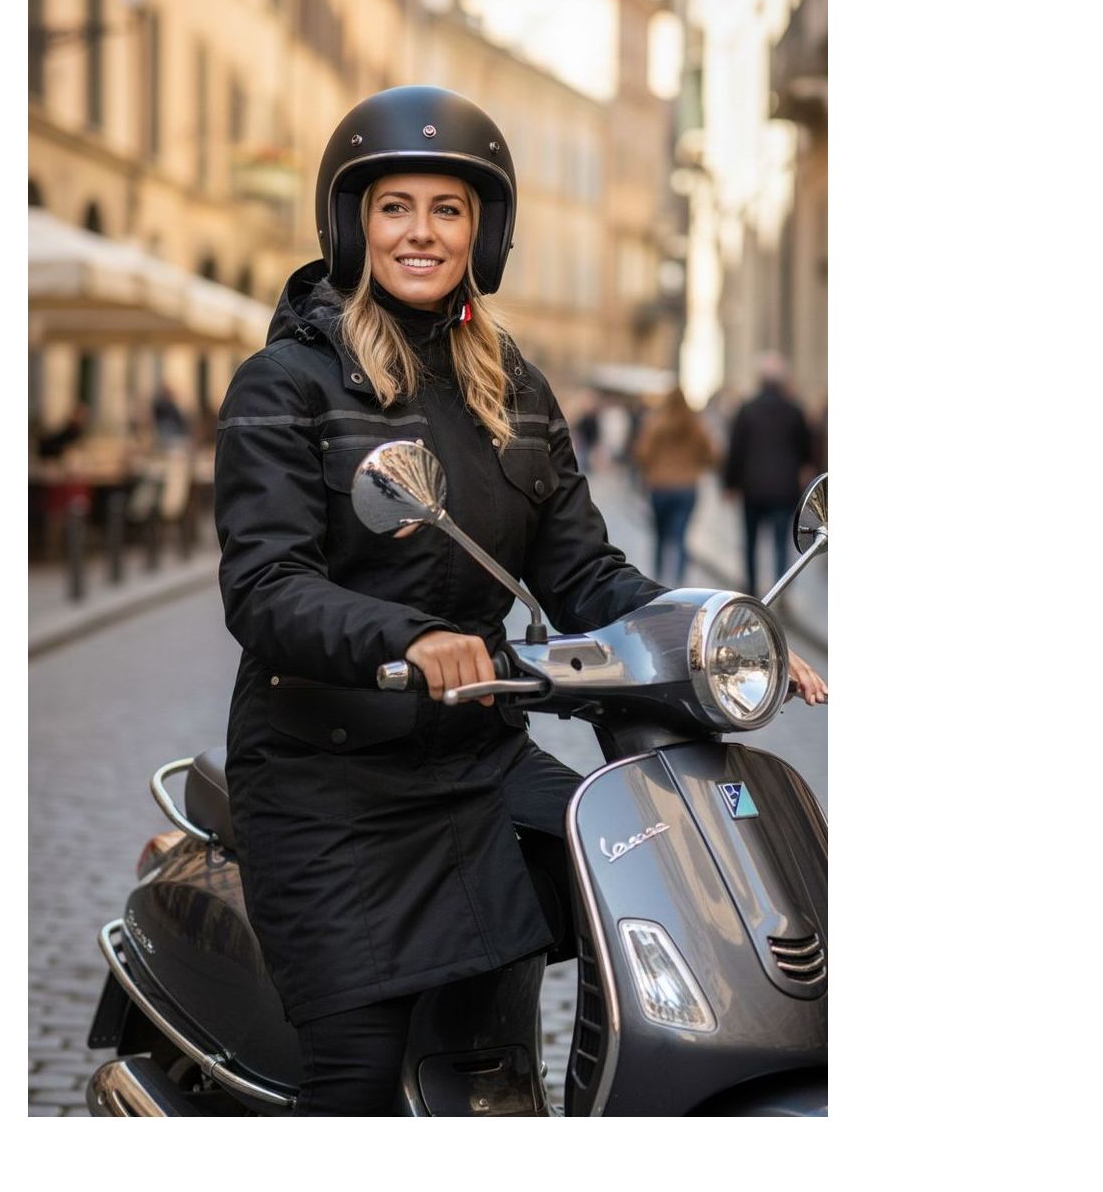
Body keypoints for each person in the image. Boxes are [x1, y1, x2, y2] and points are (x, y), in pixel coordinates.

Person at [213, 86, 828, 1117]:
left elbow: (583, 572)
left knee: (668, 900)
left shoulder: (514, 388)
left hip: (477, 761)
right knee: (356, 1071)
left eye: (446, 209)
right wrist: (414, 638)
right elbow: (266, 587)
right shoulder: (287, 385)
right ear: (353, 223)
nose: (420, 231)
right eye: (395, 206)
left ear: (482, 231)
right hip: (329, 779)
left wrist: (719, 634)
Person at [723, 352, 814, 598]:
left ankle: (751, 588)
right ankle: (781, 590)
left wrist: (730, 484)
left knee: (751, 542)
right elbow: (806, 450)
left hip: (752, 487)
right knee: (780, 543)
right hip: (784, 488)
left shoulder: (747, 409)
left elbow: (736, 449)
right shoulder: (794, 410)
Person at [632, 386, 719, 585]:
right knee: (680, 537)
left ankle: (658, 580)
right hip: (686, 487)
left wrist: (652, 470)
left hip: (660, 487)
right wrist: (695, 466)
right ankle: (679, 583)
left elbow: (642, 453)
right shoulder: (695, 426)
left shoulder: (656, 424)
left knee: (660, 536)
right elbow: (711, 455)